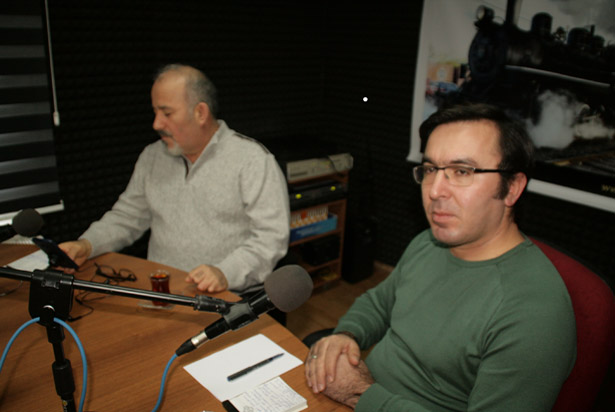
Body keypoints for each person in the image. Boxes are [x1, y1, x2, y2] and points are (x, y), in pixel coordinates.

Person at [305, 102, 576, 411]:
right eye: (431, 169)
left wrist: (360, 393)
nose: (434, 191)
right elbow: (381, 302)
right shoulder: (428, 242)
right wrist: (347, 334)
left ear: (512, 188)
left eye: (462, 171)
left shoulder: (534, 312)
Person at [59, 64, 290, 293]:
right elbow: (127, 217)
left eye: (167, 113)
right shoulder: (152, 156)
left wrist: (224, 272)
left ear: (200, 113)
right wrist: (87, 244)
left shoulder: (252, 160)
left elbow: (270, 239)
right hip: (162, 293)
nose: (156, 124)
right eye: (155, 112)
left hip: (227, 298)